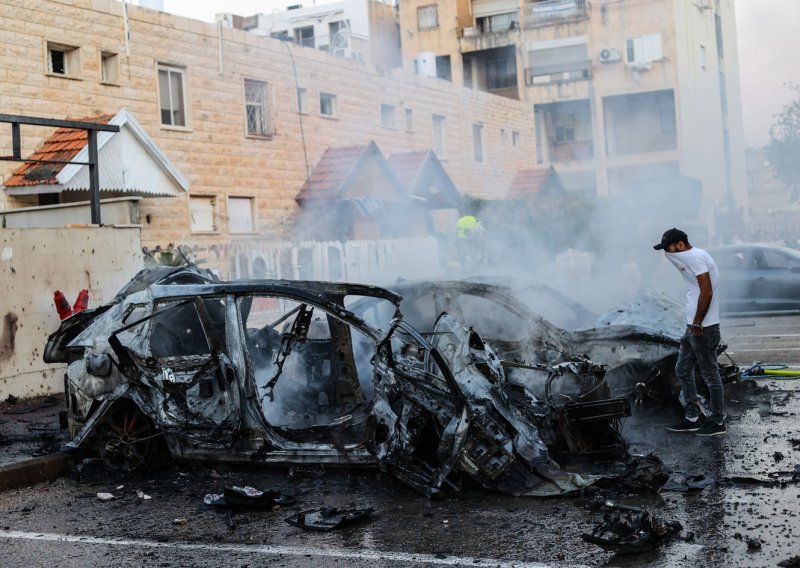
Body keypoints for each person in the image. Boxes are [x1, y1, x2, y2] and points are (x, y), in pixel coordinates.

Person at [653, 228, 726, 436]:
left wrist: (697, 323)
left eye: (670, 249)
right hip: (692, 327)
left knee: (711, 375)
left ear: (681, 245)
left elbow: (707, 291)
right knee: (683, 369)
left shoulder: (695, 258)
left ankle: (718, 422)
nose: (668, 254)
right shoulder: (687, 256)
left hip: (704, 327)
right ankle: (692, 417)